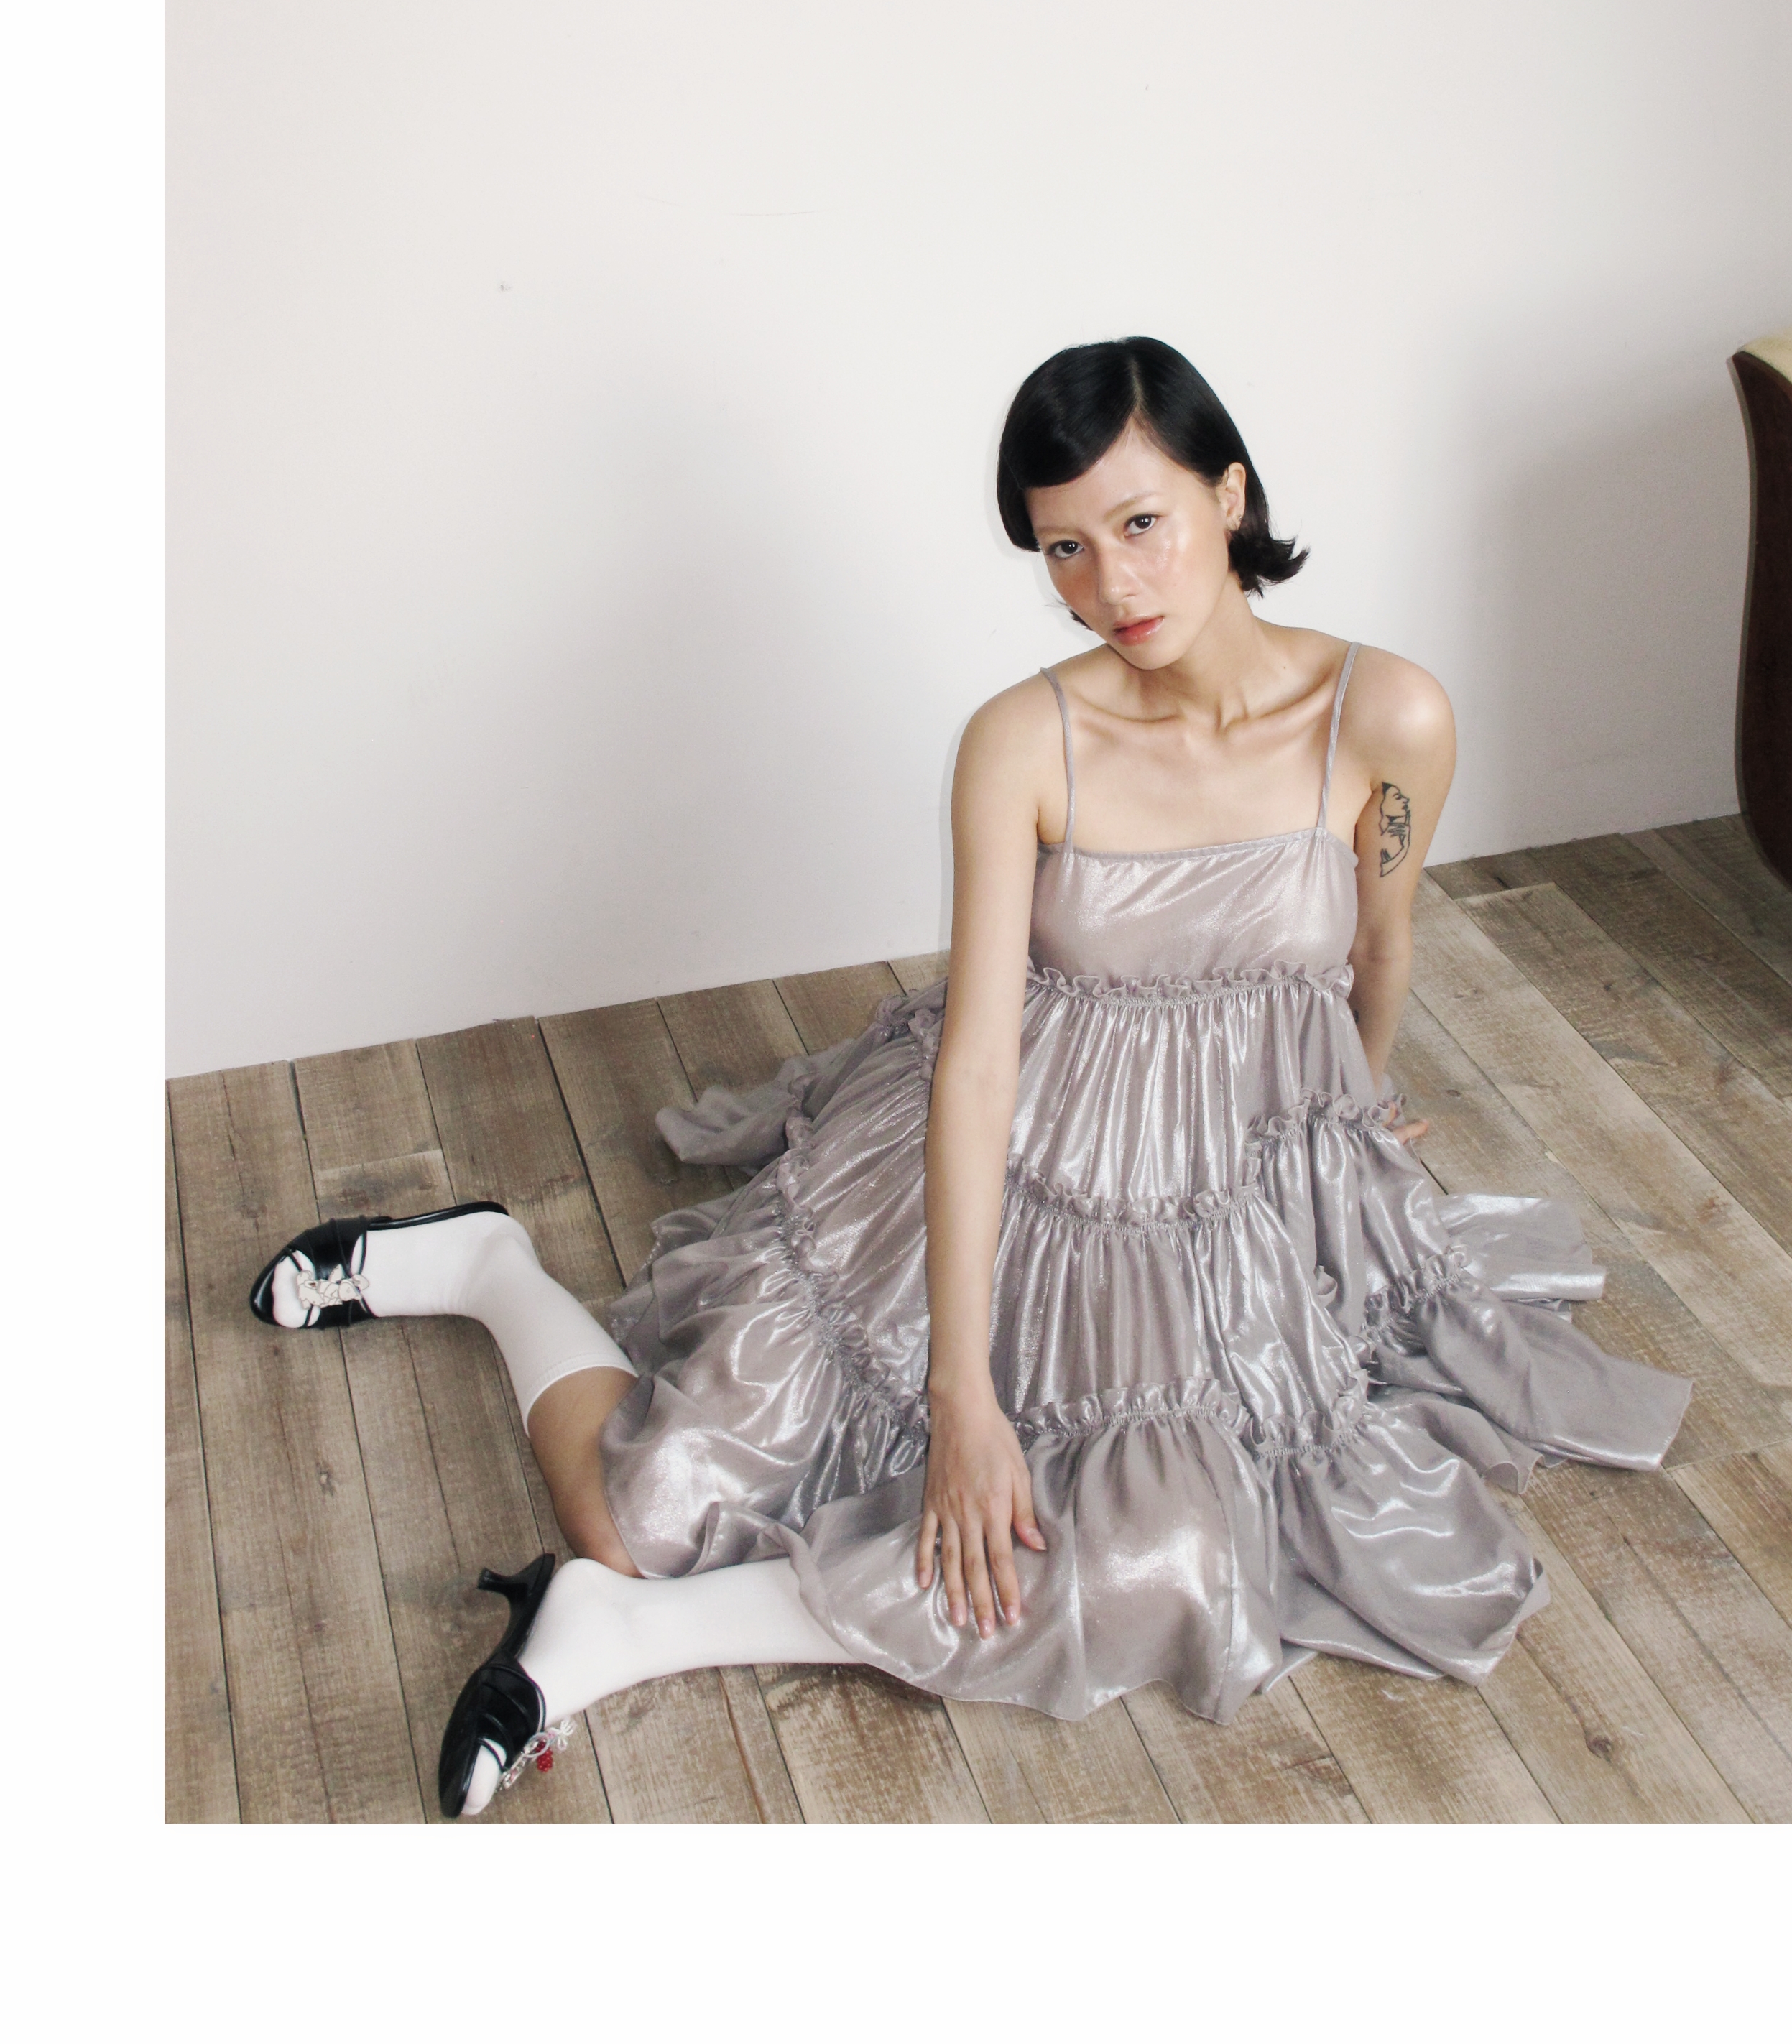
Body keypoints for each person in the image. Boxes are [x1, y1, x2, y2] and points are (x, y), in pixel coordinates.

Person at [250, 336, 1691, 1819]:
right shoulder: (1023, 741)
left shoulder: (1388, 715)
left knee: (1162, 1549)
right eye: (1065, 549)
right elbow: (981, 1067)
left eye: (1143, 523)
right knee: (640, 1511)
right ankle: (490, 1267)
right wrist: (963, 1400)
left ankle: (620, 1640)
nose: (1112, 584)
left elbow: (1377, 944)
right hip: (1011, 1171)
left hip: (1223, 1202)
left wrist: (1344, 1133)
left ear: (1230, 494)